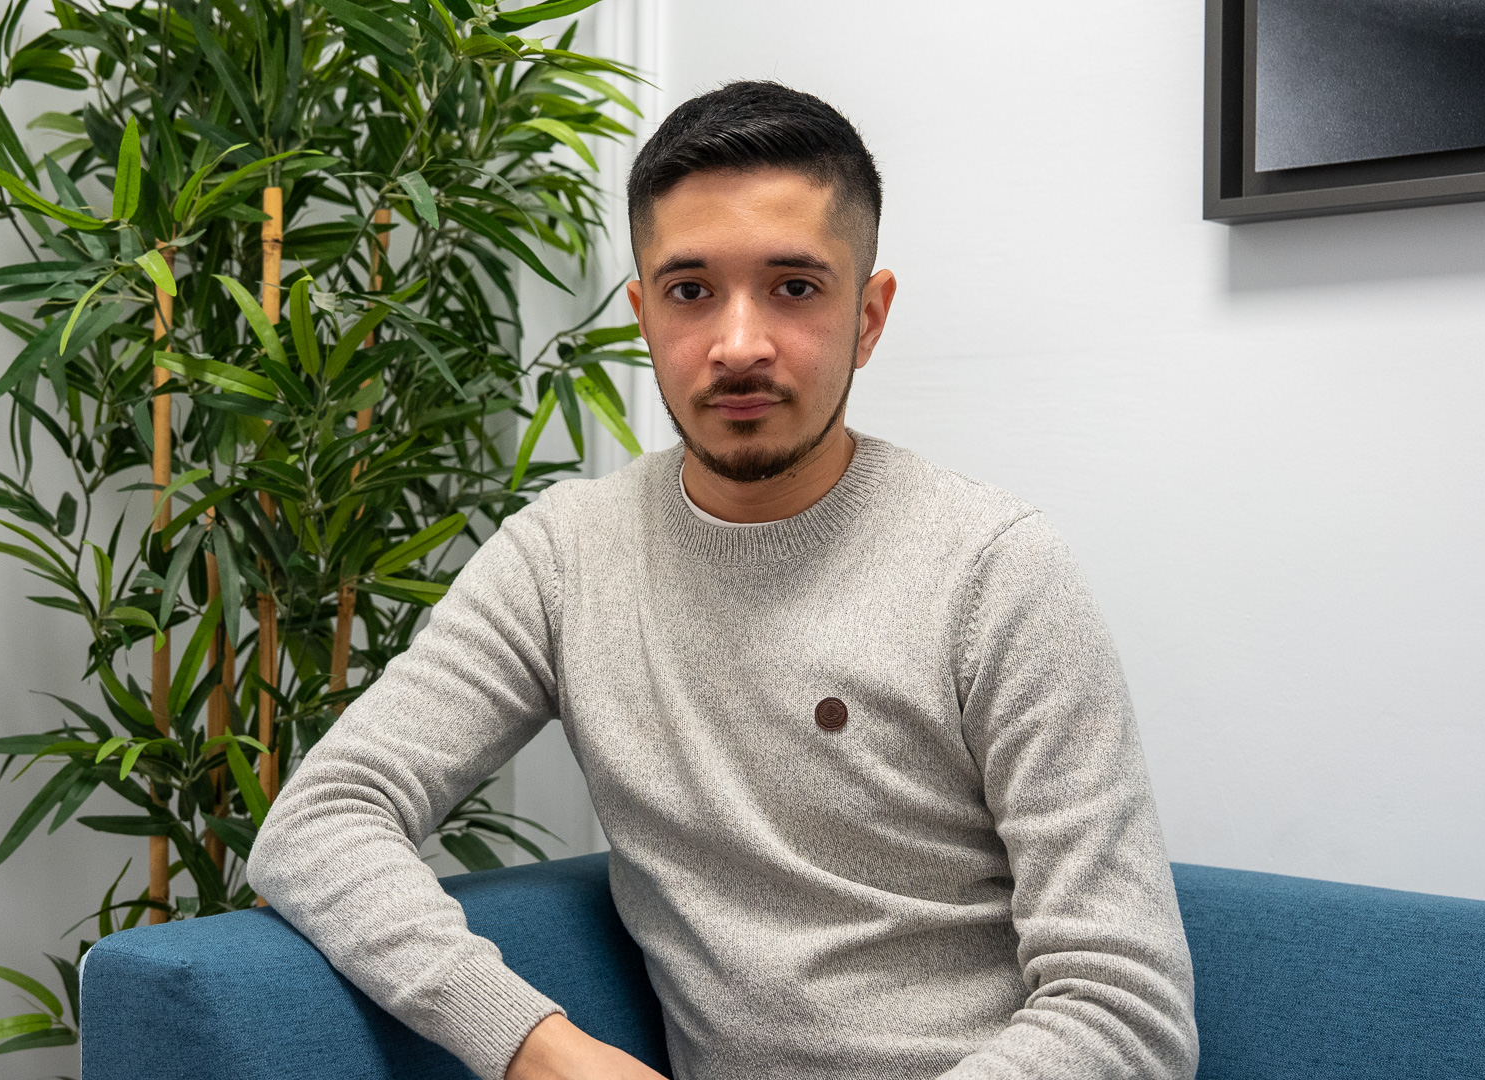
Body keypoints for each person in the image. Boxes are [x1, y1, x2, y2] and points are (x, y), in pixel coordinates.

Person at [249, 81, 1198, 1080]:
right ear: (643, 316)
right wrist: (538, 1048)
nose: (739, 345)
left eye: (795, 287)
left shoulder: (994, 569)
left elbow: (1126, 1008)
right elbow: (319, 822)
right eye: (691, 291)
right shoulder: (564, 559)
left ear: (869, 317)